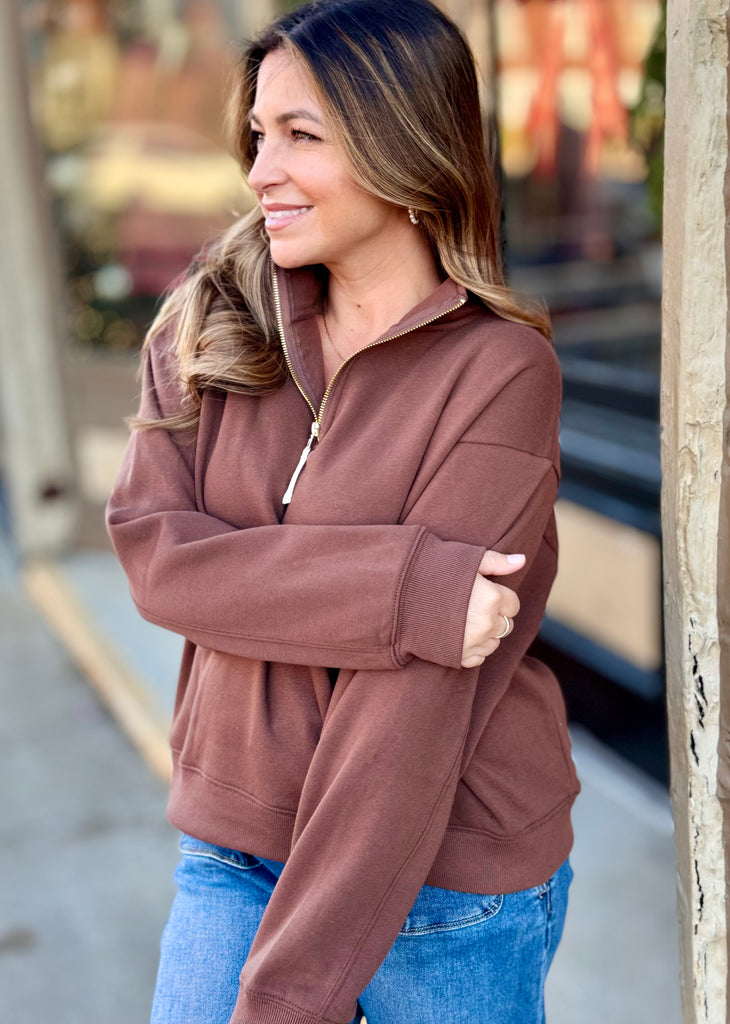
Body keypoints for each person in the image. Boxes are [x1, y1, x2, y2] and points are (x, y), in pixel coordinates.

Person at [106, 1, 580, 1022]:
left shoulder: (500, 372)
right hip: (235, 842)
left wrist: (290, 994)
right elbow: (156, 558)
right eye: (257, 136)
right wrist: (409, 591)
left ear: (404, 147)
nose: (258, 171)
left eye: (300, 136)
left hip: (449, 867)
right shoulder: (207, 322)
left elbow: (410, 712)